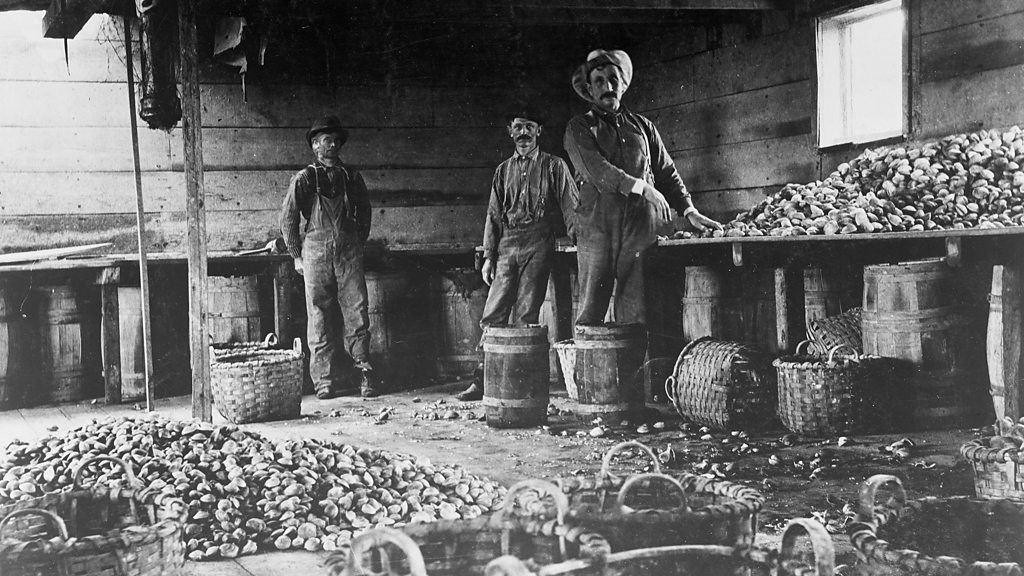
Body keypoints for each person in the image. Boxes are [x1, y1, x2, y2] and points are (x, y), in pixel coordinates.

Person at [564, 49, 722, 325]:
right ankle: (589, 368)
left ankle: (637, 369)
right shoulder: (579, 127)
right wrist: (641, 187)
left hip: (640, 230)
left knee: (638, 311)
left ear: (623, 84)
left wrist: (688, 209)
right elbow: (595, 169)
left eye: (614, 79)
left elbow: (666, 171)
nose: (608, 87)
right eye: (599, 81)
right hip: (597, 229)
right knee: (591, 311)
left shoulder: (643, 127)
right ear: (589, 89)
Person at [454, 109, 579, 402]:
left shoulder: (554, 166)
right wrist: (488, 256)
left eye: (530, 127)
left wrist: (581, 242)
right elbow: (493, 216)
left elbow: (572, 208)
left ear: (539, 131)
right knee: (492, 314)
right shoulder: (502, 171)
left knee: (525, 315)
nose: (524, 133)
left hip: (539, 242)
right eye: (518, 127)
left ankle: (514, 382)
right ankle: (482, 380)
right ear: (510, 131)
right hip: (507, 244)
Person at [280, 115, 380, 399]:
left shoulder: (351, 176)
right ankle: (323, 380)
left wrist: (358, 242)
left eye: (336, 140)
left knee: (356, 309)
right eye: (326, 140)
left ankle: (364, 372)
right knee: (319, 314)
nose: (332, 145)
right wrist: (296, 255)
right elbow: (288, 219)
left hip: (348, 252)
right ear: (314, 145)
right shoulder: (305, 178)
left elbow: (366, 211)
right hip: (315, 252)